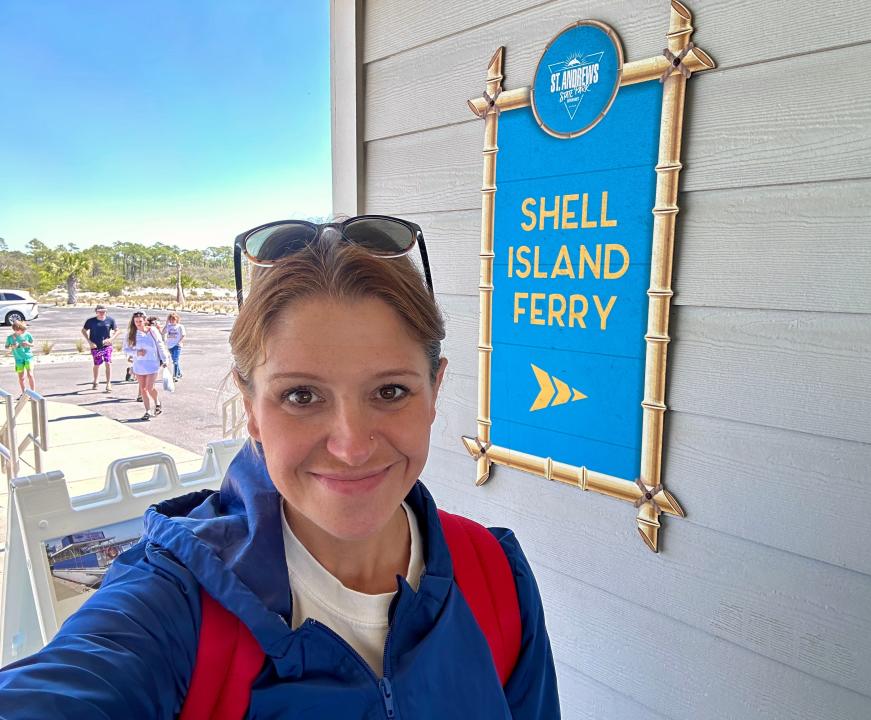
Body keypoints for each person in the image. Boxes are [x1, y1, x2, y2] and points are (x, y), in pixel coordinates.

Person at [0, 217, 560, 718]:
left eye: (390, 390)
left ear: (435, 390)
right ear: (251, 409)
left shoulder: (493, 575)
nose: (351, 446)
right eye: (301, 396)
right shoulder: (173, 605)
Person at [122, 310, 169, 420]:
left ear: (145, 321)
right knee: (143, 388)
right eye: (136, 321)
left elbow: (160, 345)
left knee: (149, 387)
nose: (138, 323)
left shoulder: (152, 331)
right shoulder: (131, 333)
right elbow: (125, 349)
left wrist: (165, 360)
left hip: (153, 363)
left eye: (140, 321)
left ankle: (157, 402)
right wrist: (136, 353)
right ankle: (147, 411)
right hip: (139, 364)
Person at [81, 304, 118, 392]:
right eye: (100, 311)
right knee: (97, 364)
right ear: (96, 312)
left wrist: (111, 339)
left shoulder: (110, 320)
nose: (102, 313)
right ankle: (96, 381)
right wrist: (89, 342)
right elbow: (83, 330)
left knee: (108, 363)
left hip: (106, 345)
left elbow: (117, 330)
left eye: (103, 311)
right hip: (95, 345)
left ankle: (108, 383)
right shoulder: (91, 321)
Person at [5, 319, 35, 396]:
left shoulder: (27, 334)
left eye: (23, 330)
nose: (23, 331)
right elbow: (6, 347)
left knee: (30, 375)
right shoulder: (10, 338)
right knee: (21, 378)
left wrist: (28, 343)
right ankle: (24, 393)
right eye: (22, 330)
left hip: (28, 357)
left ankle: (33, 393)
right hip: (18, 359)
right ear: (16, 330)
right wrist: (12, 346)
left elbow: (33, 344)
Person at [163, 311, 186, 381]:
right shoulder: (169, 326)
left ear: (177, 319)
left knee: (175, 361)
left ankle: (175, 376)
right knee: (174, 360)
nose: (172, 321)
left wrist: (179, 342)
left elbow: (183, 335)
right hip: (170, 345)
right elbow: (163, 332)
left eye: (174, 319)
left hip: (177, 345)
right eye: (171, 319)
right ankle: (179, 373)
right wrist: (166, 324)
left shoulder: (180, 326)